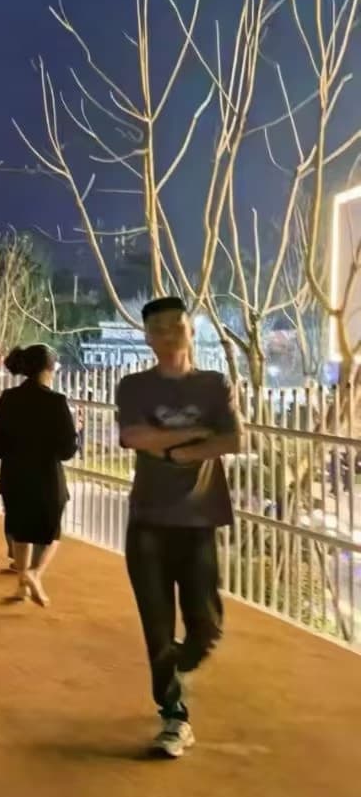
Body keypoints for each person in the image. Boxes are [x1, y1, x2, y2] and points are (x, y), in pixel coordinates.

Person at [115, 297, 241, 759]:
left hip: (199, 518)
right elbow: (132, 436)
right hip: (148, 520)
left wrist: (173, 449)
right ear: (148, 337)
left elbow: (233, 439)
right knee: (157, 625)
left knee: (207, 626)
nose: (169, 335)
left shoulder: (214, 385)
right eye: (159, 328)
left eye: (177, 325)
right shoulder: (134, 386)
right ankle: (173, 716)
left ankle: (178, 667)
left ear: (191, 330)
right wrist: (196, 436)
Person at [0, 344, 78, 607]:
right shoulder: (56, 401)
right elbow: (67, 450)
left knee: (20, 529)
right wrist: (75, 433)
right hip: (46, 475)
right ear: (49, 368)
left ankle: (21, 586)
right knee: (52, 532)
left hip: (14, 473)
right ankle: (34, 573)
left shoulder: (9, 397)